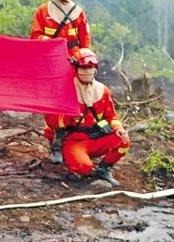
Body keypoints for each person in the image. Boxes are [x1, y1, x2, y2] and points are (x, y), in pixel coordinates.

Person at [44, 49, 130, 187]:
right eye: (84, 68)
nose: (87, 71)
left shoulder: (102, 90)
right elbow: (51, 121)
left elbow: (111, 115)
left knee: (123, 141)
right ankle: (68, 156)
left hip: (96, 137)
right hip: (74, 140)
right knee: (84, 168)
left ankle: (104, 170)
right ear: (75, 68)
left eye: (90, 67)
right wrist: (69, 114)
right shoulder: (64, 91)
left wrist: (118, 128)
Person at [31, 0, 92, 163]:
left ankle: (72, 145)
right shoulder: (43, 11)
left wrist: (85, 62)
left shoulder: (78, 12)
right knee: (53, 103)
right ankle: (55, 143)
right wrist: (52, 45)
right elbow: (35, 36)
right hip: (51, 63)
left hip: (73, 62)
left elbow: (85, 41)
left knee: (75, 102)